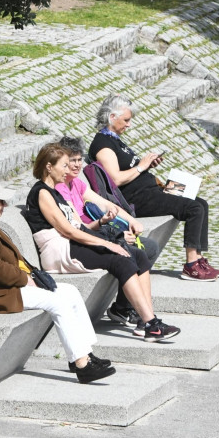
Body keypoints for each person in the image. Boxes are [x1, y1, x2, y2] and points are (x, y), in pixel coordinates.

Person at [25, 143, 180, 342]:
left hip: (71, 242)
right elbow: (67, 230)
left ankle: (147, 322)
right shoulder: (42, 192)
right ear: (49, 167)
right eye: (64, 165)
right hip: (59, 250)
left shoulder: (55, 192)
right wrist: (107, 244)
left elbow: (78, 227)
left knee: (138, 255)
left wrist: (106, 232)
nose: (68, 170)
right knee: (119, 259)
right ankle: (151, 324)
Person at [0, 178, 116, 383]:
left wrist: (31, 276)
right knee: (56, 302)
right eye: (0, 202)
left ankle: (84, 355)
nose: (5, 205)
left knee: (70, 292)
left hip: (11, 284)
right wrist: (26, 279)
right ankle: (83, 366)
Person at [89, 95, 219, 281]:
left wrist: (149, 165)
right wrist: (141, 166)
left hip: (150, 191)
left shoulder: (115, 140)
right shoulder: (103, 144)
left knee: (201, 202)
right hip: (137, 199)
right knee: (194, 208)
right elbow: (116, 179)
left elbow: (131, 169)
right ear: (112, 117)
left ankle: (198, 259)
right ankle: (191, 265)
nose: (129, 125)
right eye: (126, 120)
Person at [56, 136, 161, 331]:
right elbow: (78, 227)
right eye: (72, 161)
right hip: (90, 239)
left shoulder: (76, 184)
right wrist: (113, 233)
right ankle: (135, 313)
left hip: (101, 233)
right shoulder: (59, 188)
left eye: (80, 159)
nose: (78, 165)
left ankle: (130, 309)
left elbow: (104, 203)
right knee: (138, 251)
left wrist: (132, 221)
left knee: (147, 248)